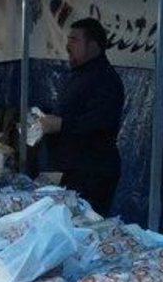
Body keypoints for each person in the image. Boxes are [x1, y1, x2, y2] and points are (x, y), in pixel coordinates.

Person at [35, 17, 123, 215]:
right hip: (70, 168)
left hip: (92, 173)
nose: (68, 46)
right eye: (68, 39)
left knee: (84, 224)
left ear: (93, 46)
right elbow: (72, 110)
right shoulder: (80, 74)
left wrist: (61, 124)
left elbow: (102, 122)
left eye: (74, 40)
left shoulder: (105, 79)